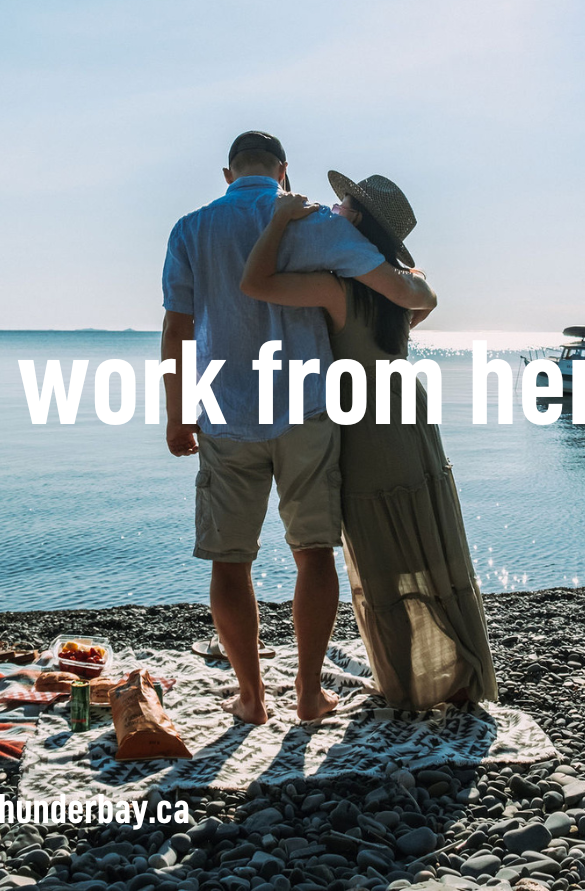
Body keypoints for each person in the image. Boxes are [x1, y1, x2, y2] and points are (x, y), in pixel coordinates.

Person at [160, 132, 437, 724]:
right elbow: (399, 293)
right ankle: (309, 696)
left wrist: (177, 412)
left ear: (226, 171)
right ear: (284, 170)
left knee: (229, 562)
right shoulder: (312, 222)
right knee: (314, 555)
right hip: (306, 411)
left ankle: (252, 699)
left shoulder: (190, 228)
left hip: (227, 413)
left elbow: (177, 328)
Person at [240, 172, 498, 710]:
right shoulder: (400, 287)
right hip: (406, 409)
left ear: (356, 218)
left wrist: (281, 220)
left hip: (361, 421)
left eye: (342, 203)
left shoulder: (335, 285)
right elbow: (425, 300)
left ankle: (408, 681)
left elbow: (257, 282)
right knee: (427, 537)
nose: (333, 207)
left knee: (380, 549)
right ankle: (455, 669)